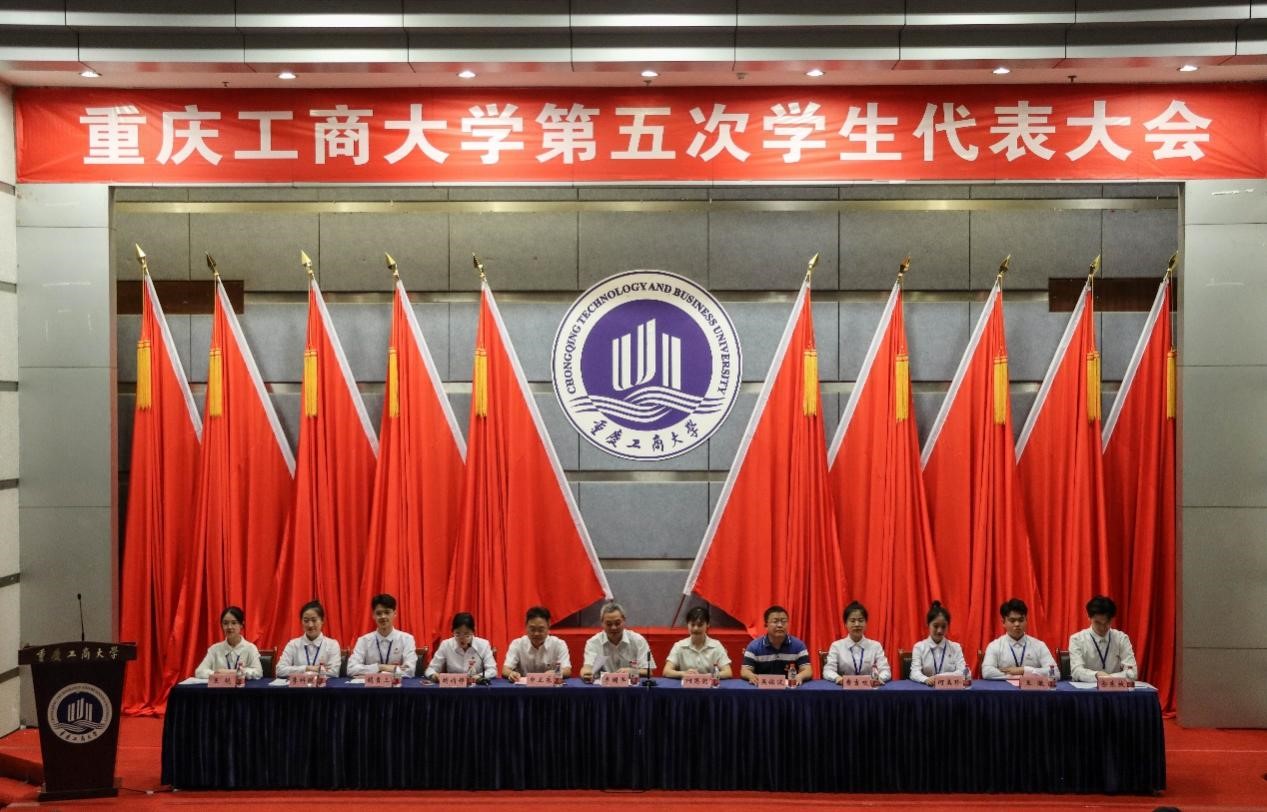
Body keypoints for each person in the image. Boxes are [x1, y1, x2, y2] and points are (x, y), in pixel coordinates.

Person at [1068, 595, 1139, 683]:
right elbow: (1076, 671)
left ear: (1112, 619)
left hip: (1115, 689)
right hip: (1087, 690)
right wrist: (1096, 675)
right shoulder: (1077, 639)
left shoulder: (1121, 638)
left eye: (1107, 622)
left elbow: (1132, 673)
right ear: (1089, 617)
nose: (1102, 628)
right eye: (1097, 623)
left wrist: (1106, 678)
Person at [981, 598, 1057, 680]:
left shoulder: (1039, 645)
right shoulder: (994, 646)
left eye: (1021, 620)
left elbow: (1055, 672)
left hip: (1032, 688)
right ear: (1003, 622)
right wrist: (1019, 676)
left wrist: (1024, 670)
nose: (1017, 624)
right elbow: (987, 672)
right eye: (1012, 620)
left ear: (1026, 620)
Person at [346, 593, 418, 677]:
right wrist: (380, 667)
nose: (383, 616)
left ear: (395, 613)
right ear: (373, 615)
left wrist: (377, 672)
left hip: (397, 685)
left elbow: (410, 671)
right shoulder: (363, 640)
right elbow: (351, 669)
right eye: (379, 613)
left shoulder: (407, 639)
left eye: (387, 612)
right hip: (370, 685)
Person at [580, 602, 654, 681]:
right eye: (609, 624)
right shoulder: (593, 642)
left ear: (624, 620)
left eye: (617, 623)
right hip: (603, 686)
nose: (614, 628)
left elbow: (649, 672)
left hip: (631, 686)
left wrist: (632, 671)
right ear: (602, 623)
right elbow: (587, 667)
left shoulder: (638, 640)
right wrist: (587, 674)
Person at [740, 605, 812, 685]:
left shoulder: (798, 645)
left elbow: (807, 670)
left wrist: (800, 676)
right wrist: (751, 676)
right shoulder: (754, 646)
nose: (780, 625)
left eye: (784, 621)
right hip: (762, 689)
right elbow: (745, 670)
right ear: (766, 626)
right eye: (775, 621)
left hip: (789, 689)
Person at [824, 601, 891, 685]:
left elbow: (886, 670)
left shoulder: (875, 646)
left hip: (869, 688)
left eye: (860, 620)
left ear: (866, 623)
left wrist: (878, 678)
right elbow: (828, 670)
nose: (857, 624)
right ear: (845, 624)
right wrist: (838, 678)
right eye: (852, 621)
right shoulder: (836, 646)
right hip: (844, 688)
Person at [275, 600, 341, 678]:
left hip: (325, 685)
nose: (310, 625)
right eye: (306, 621)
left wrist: (296, 671)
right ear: (301, 622)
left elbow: (334, 672)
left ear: (322, 621)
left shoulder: (332, 645)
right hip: (299, 685)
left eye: (314, 620)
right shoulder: (293, 644)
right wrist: (307, 668)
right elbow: (279, 670)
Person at [664, 606, 733, 679]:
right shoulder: (679, 646)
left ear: (708, 625)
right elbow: (666, 671)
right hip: (686, 685)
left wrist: (708, 676)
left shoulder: (716, 645)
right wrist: (683, 673)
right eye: (692, 625)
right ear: (687, 625)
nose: (696, 628)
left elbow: (728, 672)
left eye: (700, 625)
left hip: (709, 685)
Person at [504, 606, 571, 681]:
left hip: (550, 686)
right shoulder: (517, 644)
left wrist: (556, 673)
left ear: (549, 625)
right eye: (532, 629)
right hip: (524, 686)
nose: (536, 634)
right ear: (526, 626)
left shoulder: (559, 644)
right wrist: (511, 673)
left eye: (541, 630)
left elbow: (567, 670)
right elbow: (505, 669)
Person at [194, 606, 263, 679]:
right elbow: (199, 672)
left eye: (234, 623)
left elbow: (258, 672)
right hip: (220, 686)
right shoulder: (214, 649)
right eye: (225, 623)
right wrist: (218, 673)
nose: (229, 627)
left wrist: (236, 673)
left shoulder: (250, 648)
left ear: (241, 625)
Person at [425, 612, 497, 681]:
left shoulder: (483, 645)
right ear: (452, 631)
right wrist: (434, 675)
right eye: (457, 634)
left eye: (466, 634)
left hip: (476, 686)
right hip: (453, 686)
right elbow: (430, 670)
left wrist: (478, 677)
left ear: (473, 631)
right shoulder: (446, 645)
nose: (462, 638)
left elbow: (492, 670)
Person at [909, 600, 967, 684]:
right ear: (928, 625)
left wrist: (940, 678)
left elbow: (963, 671)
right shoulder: (919, 647)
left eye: (943, 626)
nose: (939, 630)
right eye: (936, 626)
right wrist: (926, 679)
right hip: (926, 689)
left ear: (948, 626)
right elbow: (914, 672)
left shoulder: (956, 647)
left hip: (950, 689)